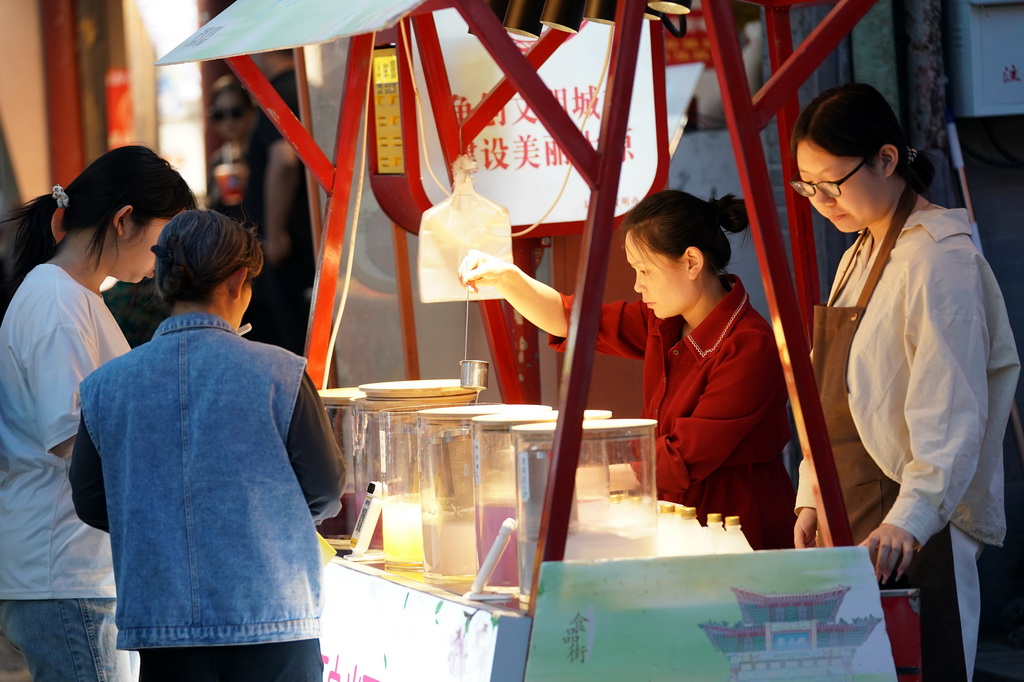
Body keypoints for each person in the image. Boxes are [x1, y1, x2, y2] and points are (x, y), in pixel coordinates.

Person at [789, 83, 1019, 680]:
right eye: (806, 186)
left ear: (887, 160)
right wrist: (812, 495)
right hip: (851, 508)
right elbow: (830, 395)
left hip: (912, 517)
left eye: (830, 184)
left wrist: (910, 519)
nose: (819, 201)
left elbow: (951, 408)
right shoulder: (858, 251)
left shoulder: (939, 257)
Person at [68, 210, 344, 682]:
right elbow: (325, 489)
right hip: (273, 621)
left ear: (163, 280)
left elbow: (93, 502)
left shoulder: (104, 387)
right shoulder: (282, 374)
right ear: (238, 282)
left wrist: (161, 525)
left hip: (162, 630)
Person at [459, 191, 796, 550]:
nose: (638, 284)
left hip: (737, 525)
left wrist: (581, 478)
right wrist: (507, 279)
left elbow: (680, 458)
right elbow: (574, 320)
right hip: (673, 515)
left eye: (645, 270)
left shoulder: (749, 345)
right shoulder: (664, 320)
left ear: (692, 262)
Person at [0, 145, 195, 682]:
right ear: (124, 221)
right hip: (65, 570)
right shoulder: (58, 302)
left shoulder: (74, 297)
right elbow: (75, 442)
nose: (164, 258)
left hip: (75, 570)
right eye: (163, 239)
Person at [241, 49, 315, 355]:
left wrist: (274, 233)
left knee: (293, 344)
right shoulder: (304, 88)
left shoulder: (281, 92)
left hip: (291, 248)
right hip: (303, 240)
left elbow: (284, 159)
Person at [206, 74, 255, 221]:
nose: (229, 121)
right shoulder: (218, 161)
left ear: (251, 112)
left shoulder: (263, 155)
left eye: (236, 112)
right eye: (219, 115)